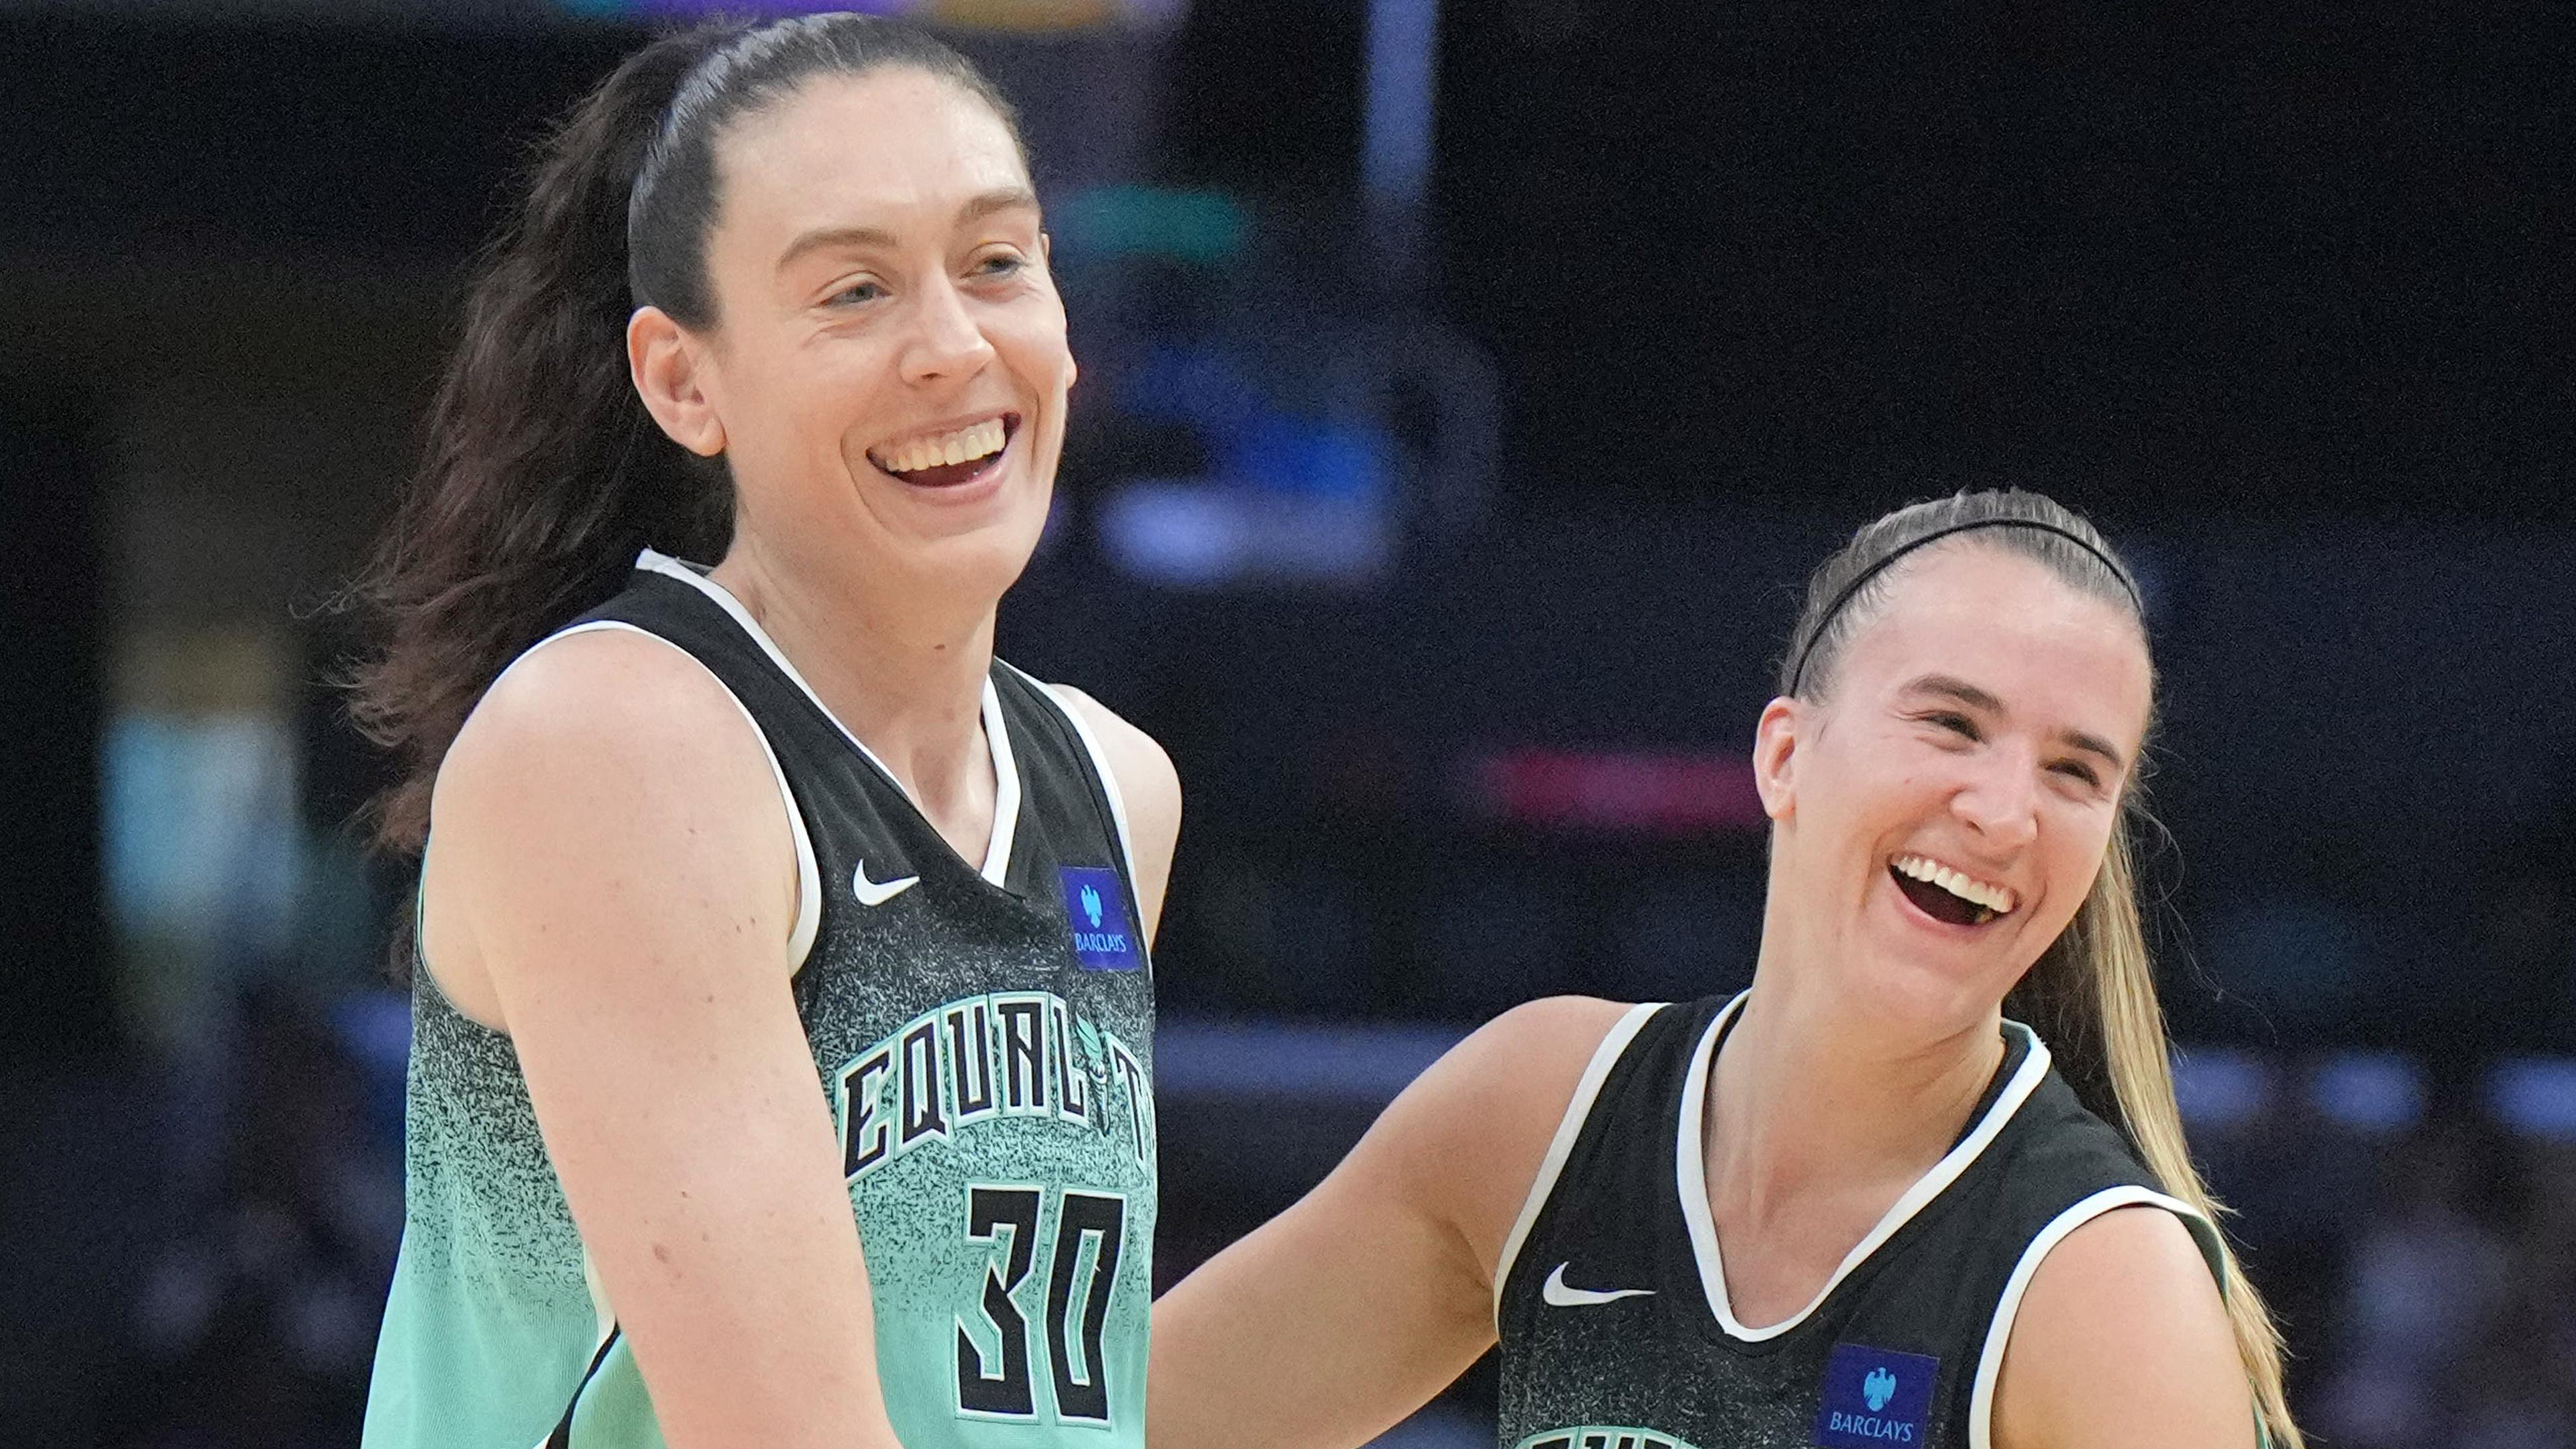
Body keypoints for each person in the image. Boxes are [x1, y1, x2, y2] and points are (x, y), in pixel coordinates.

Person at [345, 17, 1179, 1449]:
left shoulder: (1113, 789)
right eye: (854, 292)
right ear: (684, 381)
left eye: (997, 263)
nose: (953, 347)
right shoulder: (618, 742)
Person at [1149, 490, 2300, 1449]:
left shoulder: (2105, 1288)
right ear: (1787, 756)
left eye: (2074, 772)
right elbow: (1126, 1428)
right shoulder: (1542, 1116)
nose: (2003, 813)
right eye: (1951, 725)